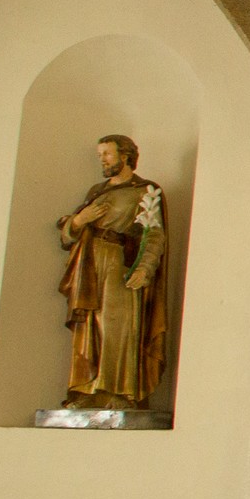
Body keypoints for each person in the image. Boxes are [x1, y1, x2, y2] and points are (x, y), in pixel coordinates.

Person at [57, 134, 169, 410]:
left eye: (107, 154)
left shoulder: (146, 191)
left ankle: (118, 393)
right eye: (100, 155)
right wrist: (80, 220)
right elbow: (68, 235)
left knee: (116, 326)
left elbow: (154, 234)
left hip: (120, 261)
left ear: (125, 156)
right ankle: (87, 390)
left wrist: (145, 268)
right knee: (90, 326)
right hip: (89, 263)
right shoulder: (97, 191)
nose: (102, 160)